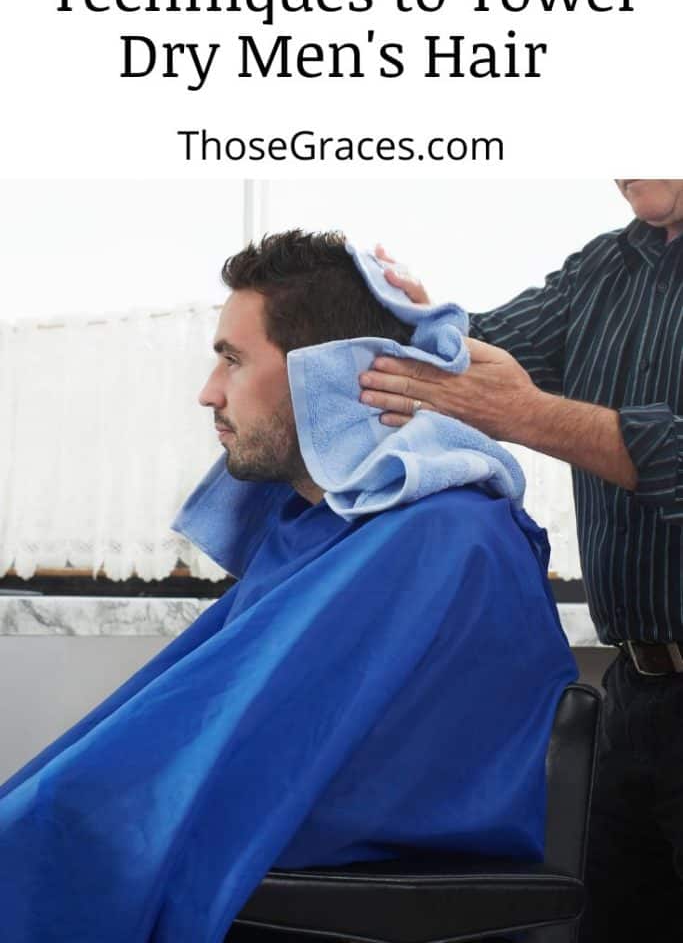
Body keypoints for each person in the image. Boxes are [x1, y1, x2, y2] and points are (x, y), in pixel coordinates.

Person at [0, 231, 576, 943]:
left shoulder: (440, 537)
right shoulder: (323, 528)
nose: (208, 393)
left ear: (333, 377)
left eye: (233, 361)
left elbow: (270, 759)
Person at [362, 179, 683, 942]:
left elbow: (510, 401)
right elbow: (478, 357)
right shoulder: (607, 268)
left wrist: (526, 415)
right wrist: (405, 320)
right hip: (637, 692)